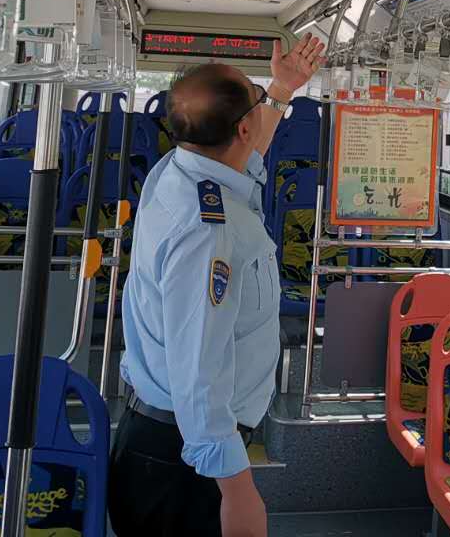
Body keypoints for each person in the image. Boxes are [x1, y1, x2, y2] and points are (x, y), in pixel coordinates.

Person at [109, 34, 325, 537]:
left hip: (170, 441)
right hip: (181, 464)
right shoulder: (209, 231)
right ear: (243, 127)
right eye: (256, 97)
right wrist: (236, 488)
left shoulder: (179, 169)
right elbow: (197, 367)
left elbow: (249, 152)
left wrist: (281, 89)